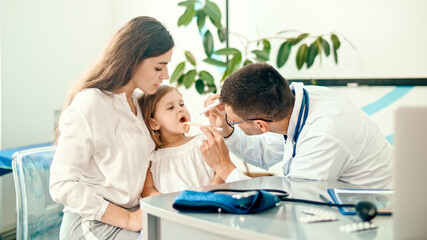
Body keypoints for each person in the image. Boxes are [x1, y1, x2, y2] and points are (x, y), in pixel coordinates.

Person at [49, 16, 174, 239]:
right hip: (93, 222)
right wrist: (127, 219)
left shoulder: (135, 102)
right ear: (134, 60)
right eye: (159, 67)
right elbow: (61, 184)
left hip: (132, 214)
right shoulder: (91, 103)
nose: (166, 76)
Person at [199, 63, 393, 189]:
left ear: (261, 125)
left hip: (382, 210)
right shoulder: (289, 104)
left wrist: (224, 167)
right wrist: (226, 129)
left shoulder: (323, 134)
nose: (230, 121)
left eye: (233, 120)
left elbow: (293, 203)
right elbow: (264, 153)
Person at [138, 85, 223, 197]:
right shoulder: (154, 158)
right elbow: (147, 189)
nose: (180, 109)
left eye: (181, 104)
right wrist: (166, 201)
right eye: (170, 108)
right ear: (154, 123)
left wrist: (212, 189)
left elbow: (222, 170)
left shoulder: (203, 143)